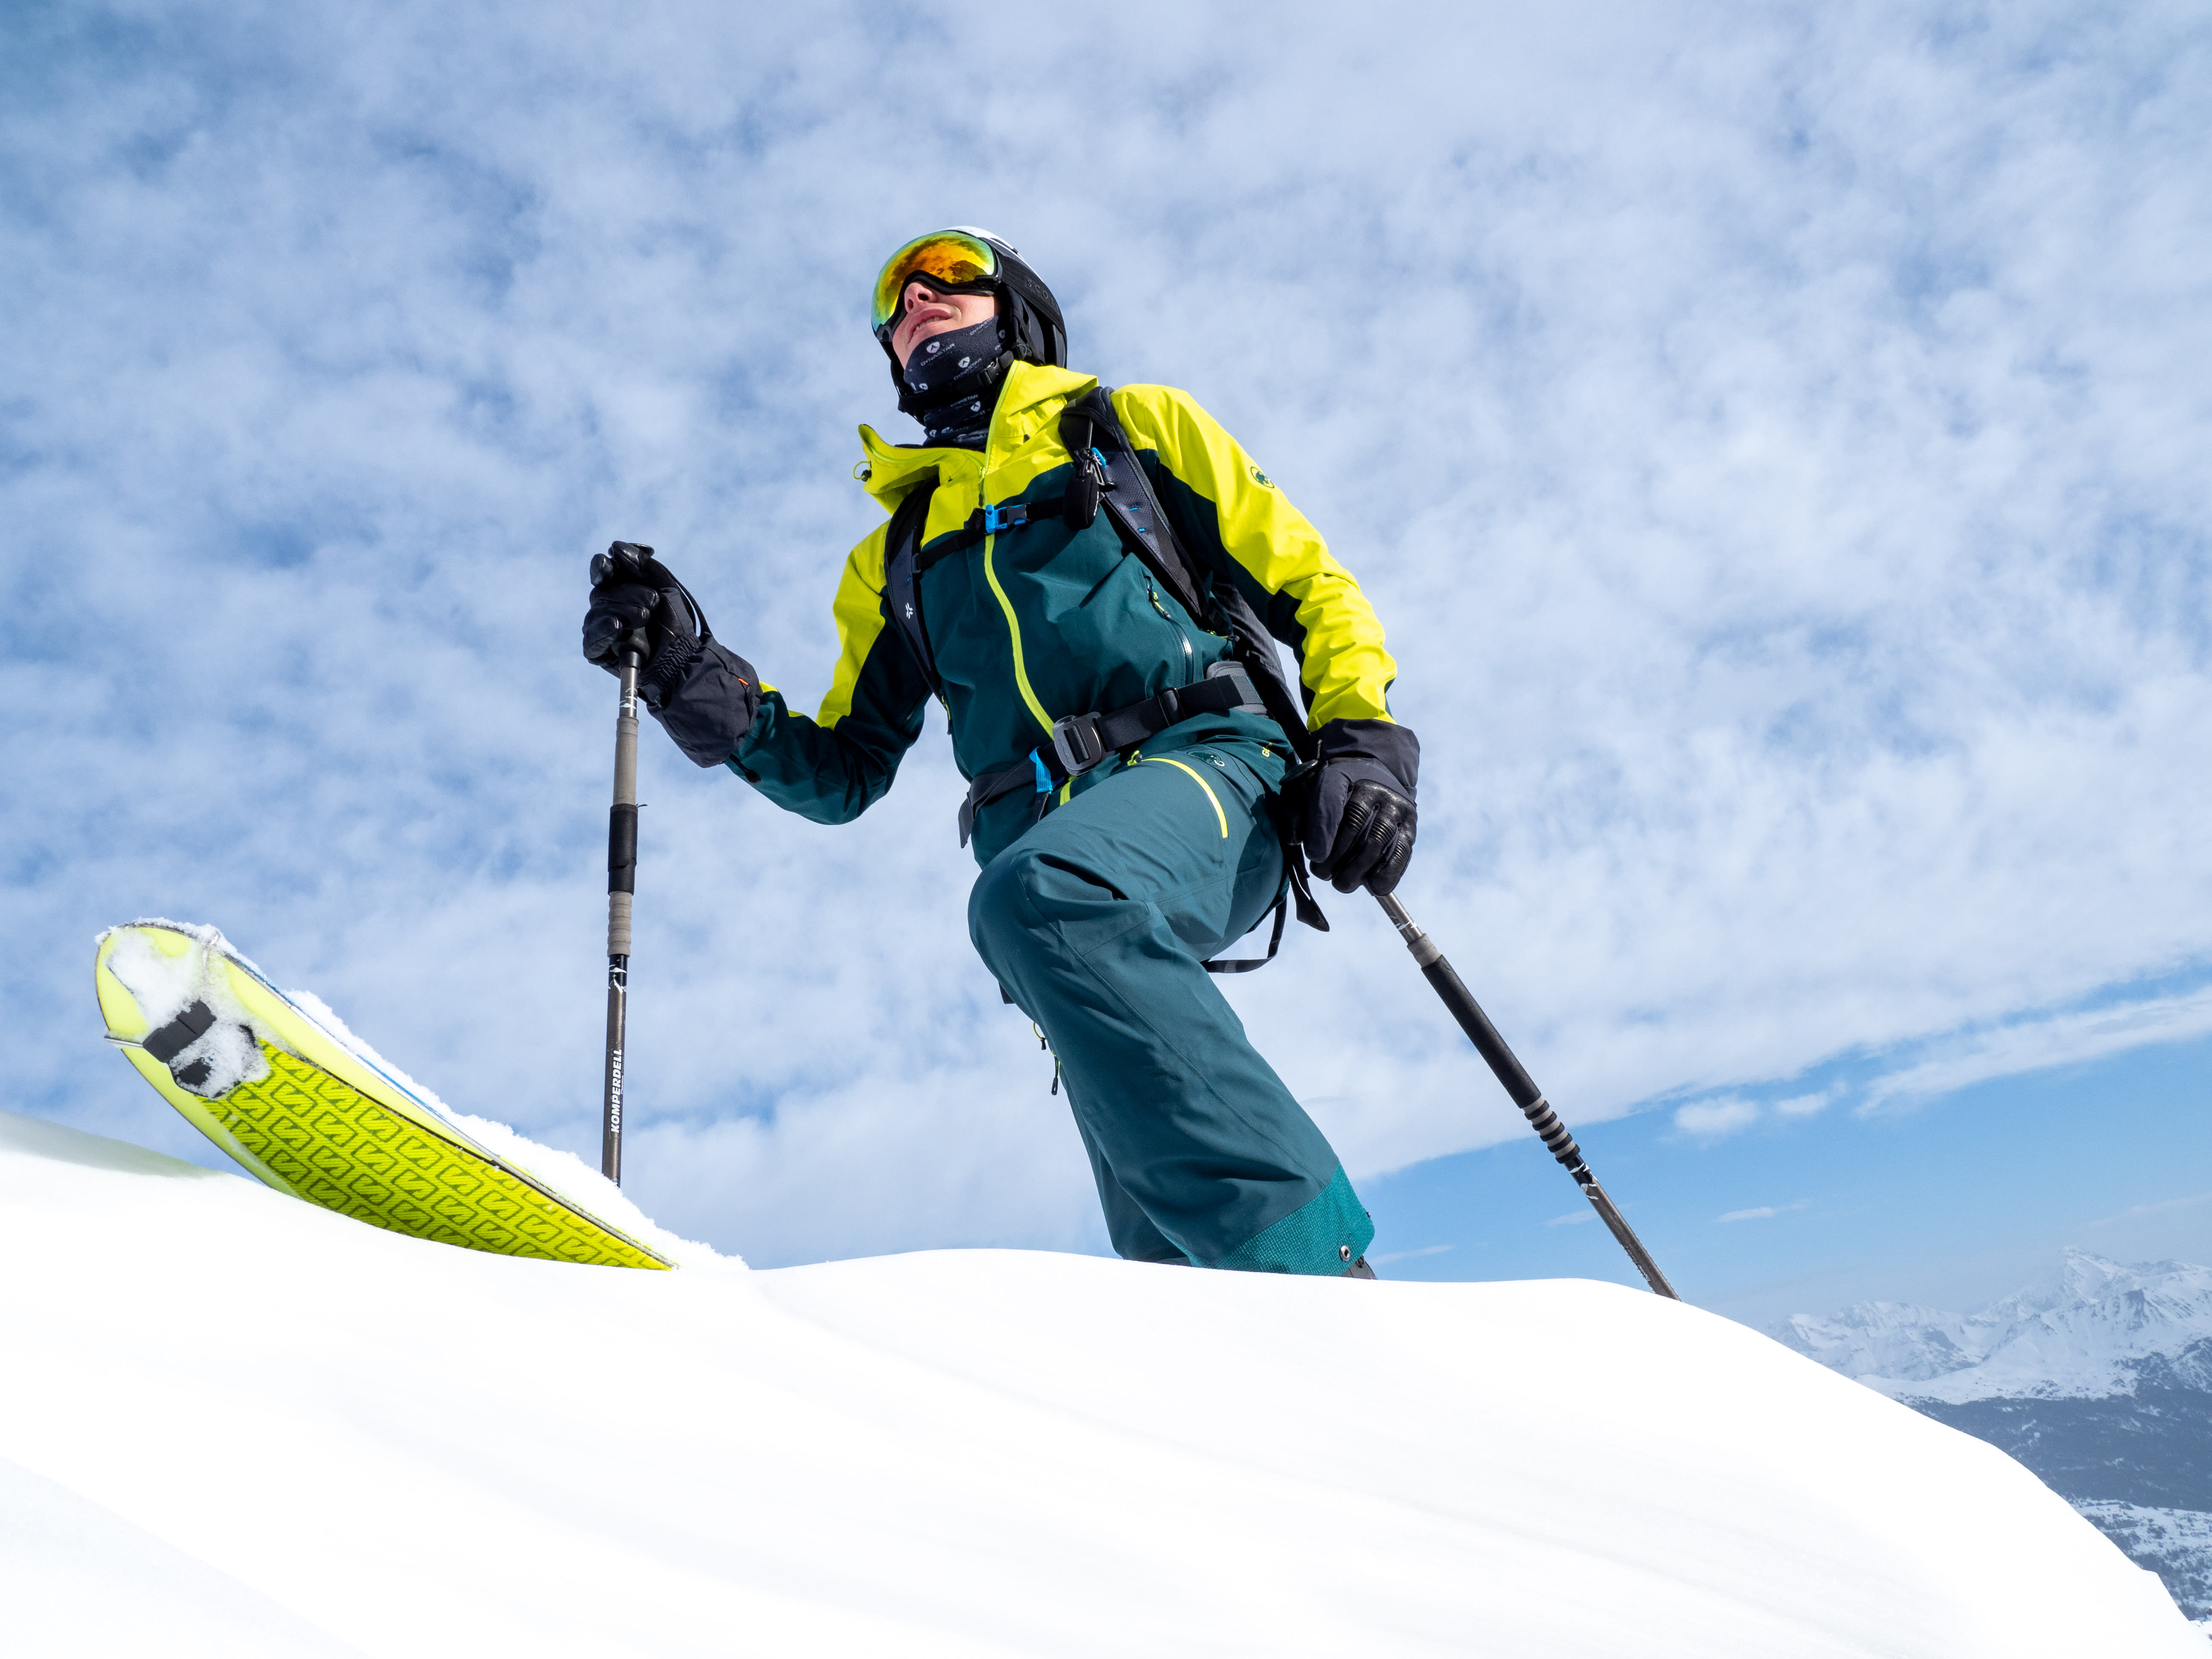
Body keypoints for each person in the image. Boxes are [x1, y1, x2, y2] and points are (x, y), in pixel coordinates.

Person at [582, 228, 1418, 1277]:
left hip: (1211, 770)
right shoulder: (896, 555)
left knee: (1044, 899)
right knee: (1157, 1222)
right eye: (894, 303)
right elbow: (842, 772)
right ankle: (1258, 1359)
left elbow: (1310, 586)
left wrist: (1366, 744)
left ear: (1016, 305)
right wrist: (684, 670)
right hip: (1049, 860)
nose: (915, 300)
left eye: (947, 275)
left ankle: (1318, 1272)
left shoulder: (1130, 429)